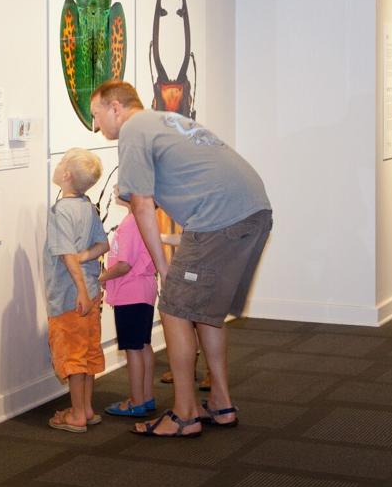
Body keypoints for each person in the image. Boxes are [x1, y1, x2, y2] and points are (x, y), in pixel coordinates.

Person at [90, 81, 272, 438]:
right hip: (254, 209)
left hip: (219, 217)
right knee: (204, 312)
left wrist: (163, 269)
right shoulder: (164, 121)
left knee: (173, 307)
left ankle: (185, 413)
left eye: (96, 115)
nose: (97, 126)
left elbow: (141, 205)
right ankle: (220, 404)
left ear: (115, 107)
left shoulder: (132, 130)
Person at [44, 148, 110, 433]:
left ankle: (77, 415)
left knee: (71, 355)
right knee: (87, 352)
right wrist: (86, 259)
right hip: (91, 293)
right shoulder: (87, 206)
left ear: (66, 175)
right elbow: (103, 245)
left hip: (71, 297)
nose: (56, 166)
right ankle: (87, 408)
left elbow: (67, 255)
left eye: (60, 163)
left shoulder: (60, 211)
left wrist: (80, 290)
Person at [99, 184, 158, 418]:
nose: (115, 189)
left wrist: (101, 277)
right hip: (143, 290)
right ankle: (146, 396)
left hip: (130, 292)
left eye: (121, 186)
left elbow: (124, 265)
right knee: (142, 344)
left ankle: (136, 401)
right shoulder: (144, 219)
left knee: (133, 348)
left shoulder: (130, 224)